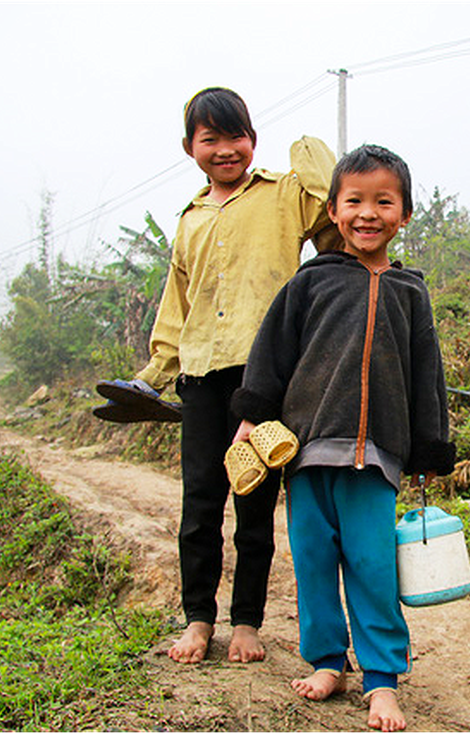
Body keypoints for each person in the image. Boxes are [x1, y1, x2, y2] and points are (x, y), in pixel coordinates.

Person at [107, 87, 341, 665]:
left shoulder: (285, 193)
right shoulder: (189, 219)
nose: (225, 149)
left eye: (235, 135)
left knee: (255, 504)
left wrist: (304, 148)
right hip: (201, 377)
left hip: (265, 376)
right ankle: (197, 620)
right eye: (210, 139)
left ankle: (247, 623)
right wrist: (154, 375)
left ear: (252, 140)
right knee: (201, 504)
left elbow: (334, 207)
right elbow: (176, 305)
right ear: (190, 148)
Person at [228, 144, 456, 733]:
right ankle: (328, 662)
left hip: (377, 456)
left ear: (404, 214)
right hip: (304, 452)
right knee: (313, 561)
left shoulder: (411, 293)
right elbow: (272, 351)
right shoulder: (312, 282)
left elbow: (426, 373)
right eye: (354, 200)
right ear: (333, 210)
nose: (367, 213)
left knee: (372, 566)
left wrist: (430, 447)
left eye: (384, 201)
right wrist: (253, 413)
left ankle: (381, 679)